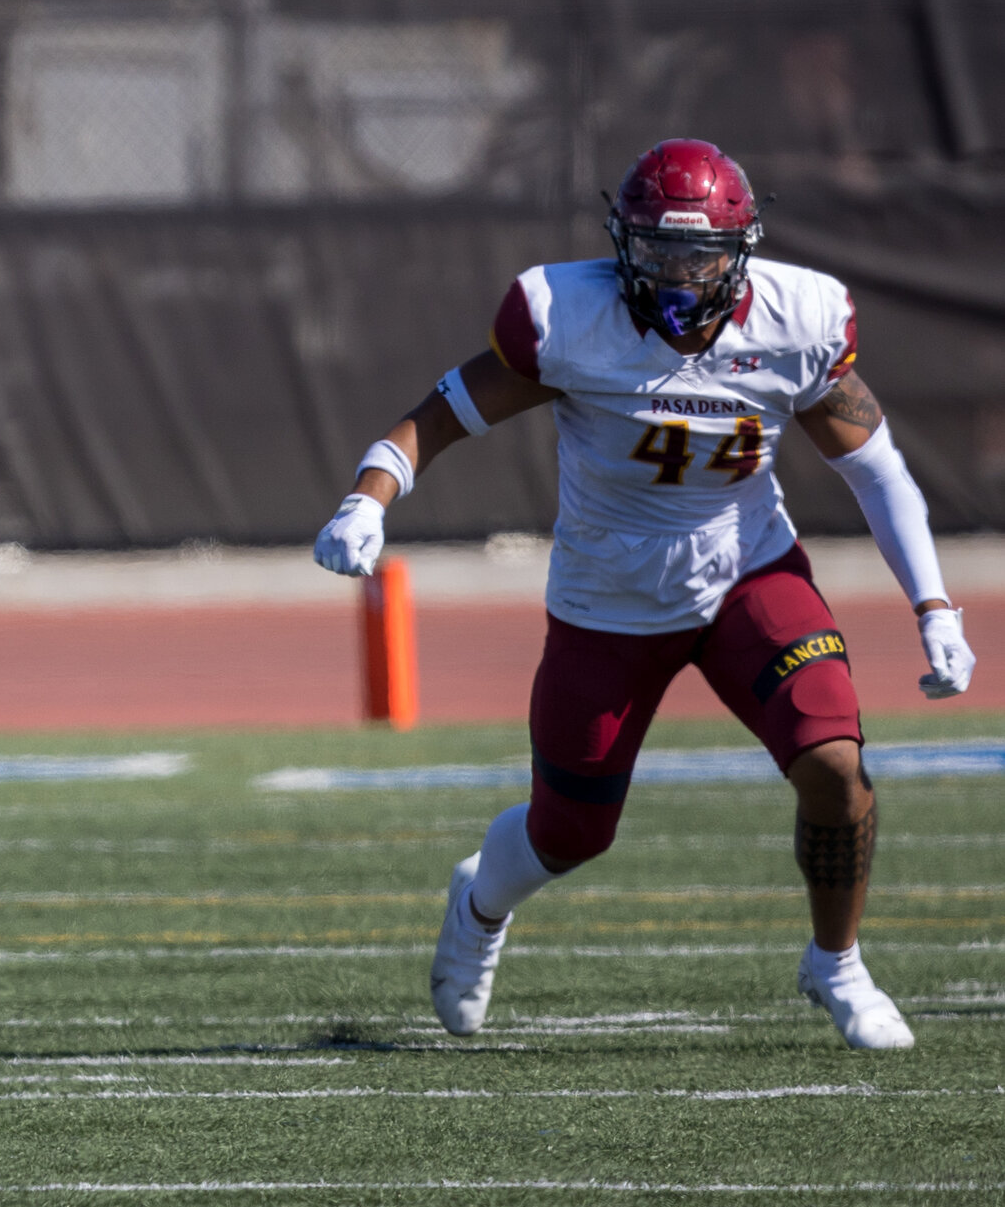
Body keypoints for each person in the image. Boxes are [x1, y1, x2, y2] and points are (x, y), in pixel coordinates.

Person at [311, 138, 976, 1051]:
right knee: (571, 831)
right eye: (656, 247)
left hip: (747, 571)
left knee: (834, 763)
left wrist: (934, 606)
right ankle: (480, 901)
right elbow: (438, 416)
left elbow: (877, 470)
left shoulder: (795, 318)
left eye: (696, 252)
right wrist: (366, 500)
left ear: (740, 252)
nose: (674, 270)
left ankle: (839, 963)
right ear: (622, 242)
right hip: (608, 594)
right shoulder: (567, 316)